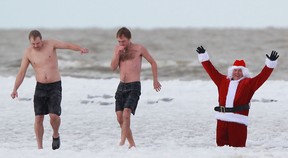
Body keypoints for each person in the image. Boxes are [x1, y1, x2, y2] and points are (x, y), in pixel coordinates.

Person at [10, 30, 89, 150]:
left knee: (54, 116)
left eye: (38, 43)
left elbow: (67, 45)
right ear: (30, 42)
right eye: (33, 44)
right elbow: (22, 72)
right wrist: (15, 88)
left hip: (54, 86)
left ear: (41, 40)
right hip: (40, 87)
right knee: (38, 118)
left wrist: (80, 49)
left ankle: (55, 135)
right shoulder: (28, 52)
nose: (36, 46)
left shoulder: (51, 44)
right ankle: (40, 148)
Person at [196, 46, 279, 147]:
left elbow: (262, 76)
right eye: (235, 70)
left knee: (237, 148)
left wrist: (270, 64)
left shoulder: (249, 83)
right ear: (232, 71)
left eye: (240, 71)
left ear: (244, 72)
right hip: (222, 120)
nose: (237, 73)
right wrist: (203, 56)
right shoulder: (222, 80)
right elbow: (211, 70)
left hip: (238, 121)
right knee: (220, 149)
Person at [110, 27, 161, 149]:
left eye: (123, 41)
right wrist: (117, 53)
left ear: (129, 39)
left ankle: (122, 141)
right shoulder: (118, 50)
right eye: (119, 41)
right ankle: (132, 144)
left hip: (134, 86)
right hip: (121, 86)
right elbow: (112, 67)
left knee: (126, 113)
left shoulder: (139, 49)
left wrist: (155, 80)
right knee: (119, 117)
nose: (121, 44)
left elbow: (153, 62)